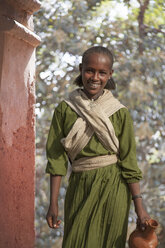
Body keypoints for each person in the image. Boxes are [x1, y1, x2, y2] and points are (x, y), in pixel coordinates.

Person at [46, 46, 150, 248]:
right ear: (80, 69)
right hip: (80, 187)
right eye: (89, 70)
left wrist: (140, 208)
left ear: (110, 74)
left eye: (102, 72)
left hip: (114, 188)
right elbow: (56, 160)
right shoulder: (65, 110)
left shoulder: (120, 113)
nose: (95, 77)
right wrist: (53, 203)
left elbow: (129, 162)